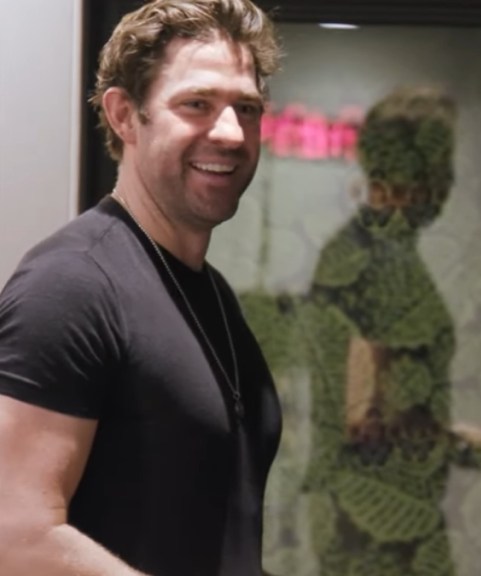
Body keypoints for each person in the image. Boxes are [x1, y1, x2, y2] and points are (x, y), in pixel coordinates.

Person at [0, 1, 282, 574]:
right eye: (197, 104)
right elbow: (16, 534)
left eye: (246, 108)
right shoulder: (72, 286)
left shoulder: (213, 297)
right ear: (125, 115)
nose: (230, 132)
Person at [294, 86, 481, 575]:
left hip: (375, 507)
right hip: (377, 521)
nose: (448, 186)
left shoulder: (368, 249)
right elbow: (364, 419)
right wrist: (462, 444)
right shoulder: (377, 262)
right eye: (443, 169)